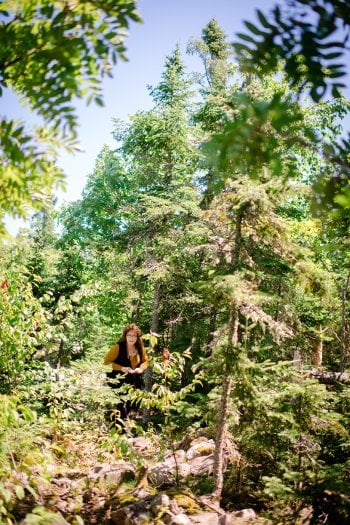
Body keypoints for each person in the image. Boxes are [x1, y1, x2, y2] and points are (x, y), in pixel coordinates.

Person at [103, 323, 148, 420]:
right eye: (129, 335)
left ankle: (126, 424)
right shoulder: (118, 348)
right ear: (125, 336)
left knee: (134, 403)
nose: (132, 338)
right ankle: (120, 428)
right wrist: (121, 368)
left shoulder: (140, 348)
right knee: (121, 405)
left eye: (134, 336)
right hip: (118, 379)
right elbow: (106, 363)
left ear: (137, 337)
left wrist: (140, 369)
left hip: (134, 380)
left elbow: (146, 361)